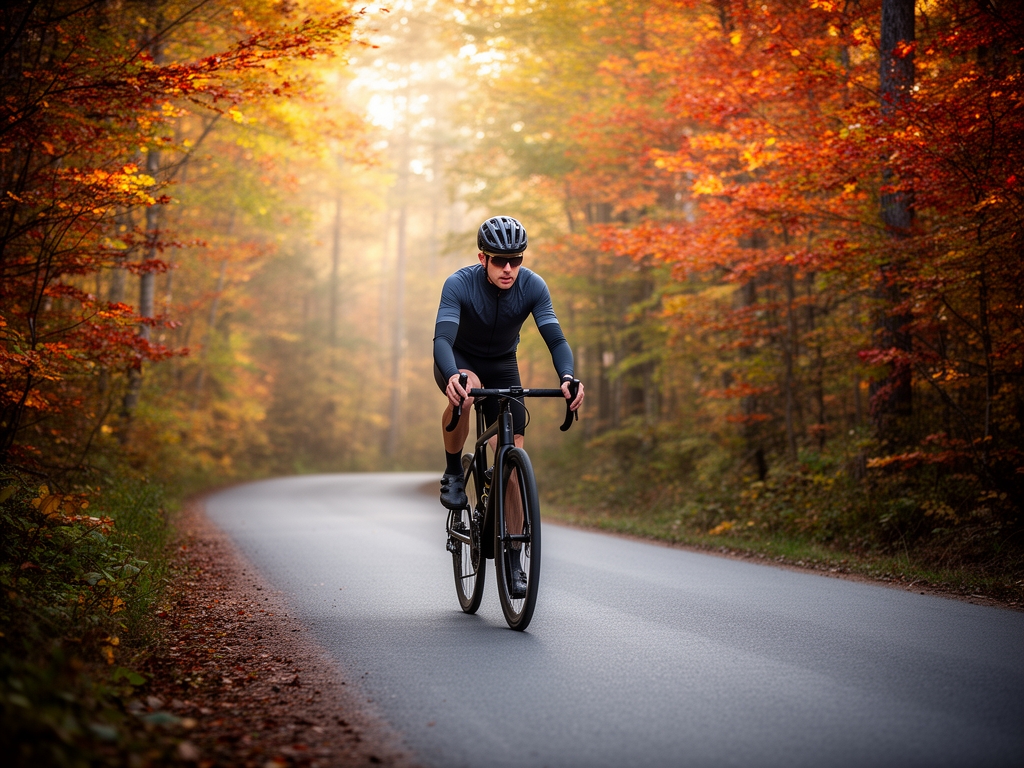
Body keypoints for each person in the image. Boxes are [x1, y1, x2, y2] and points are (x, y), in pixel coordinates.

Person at [433, 215, 584, 594]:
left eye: (516, 260)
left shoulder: (533, 286)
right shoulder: (459, 284)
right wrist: (453, 375)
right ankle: (454, 470)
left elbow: (555, 338)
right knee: (468, 390)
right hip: (460, 359)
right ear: (482, 258)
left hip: (503, 364)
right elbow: (442, 339)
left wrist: (567, 377)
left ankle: (514, 558)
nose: (508, 268)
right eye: (500, 260)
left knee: (514, 458)